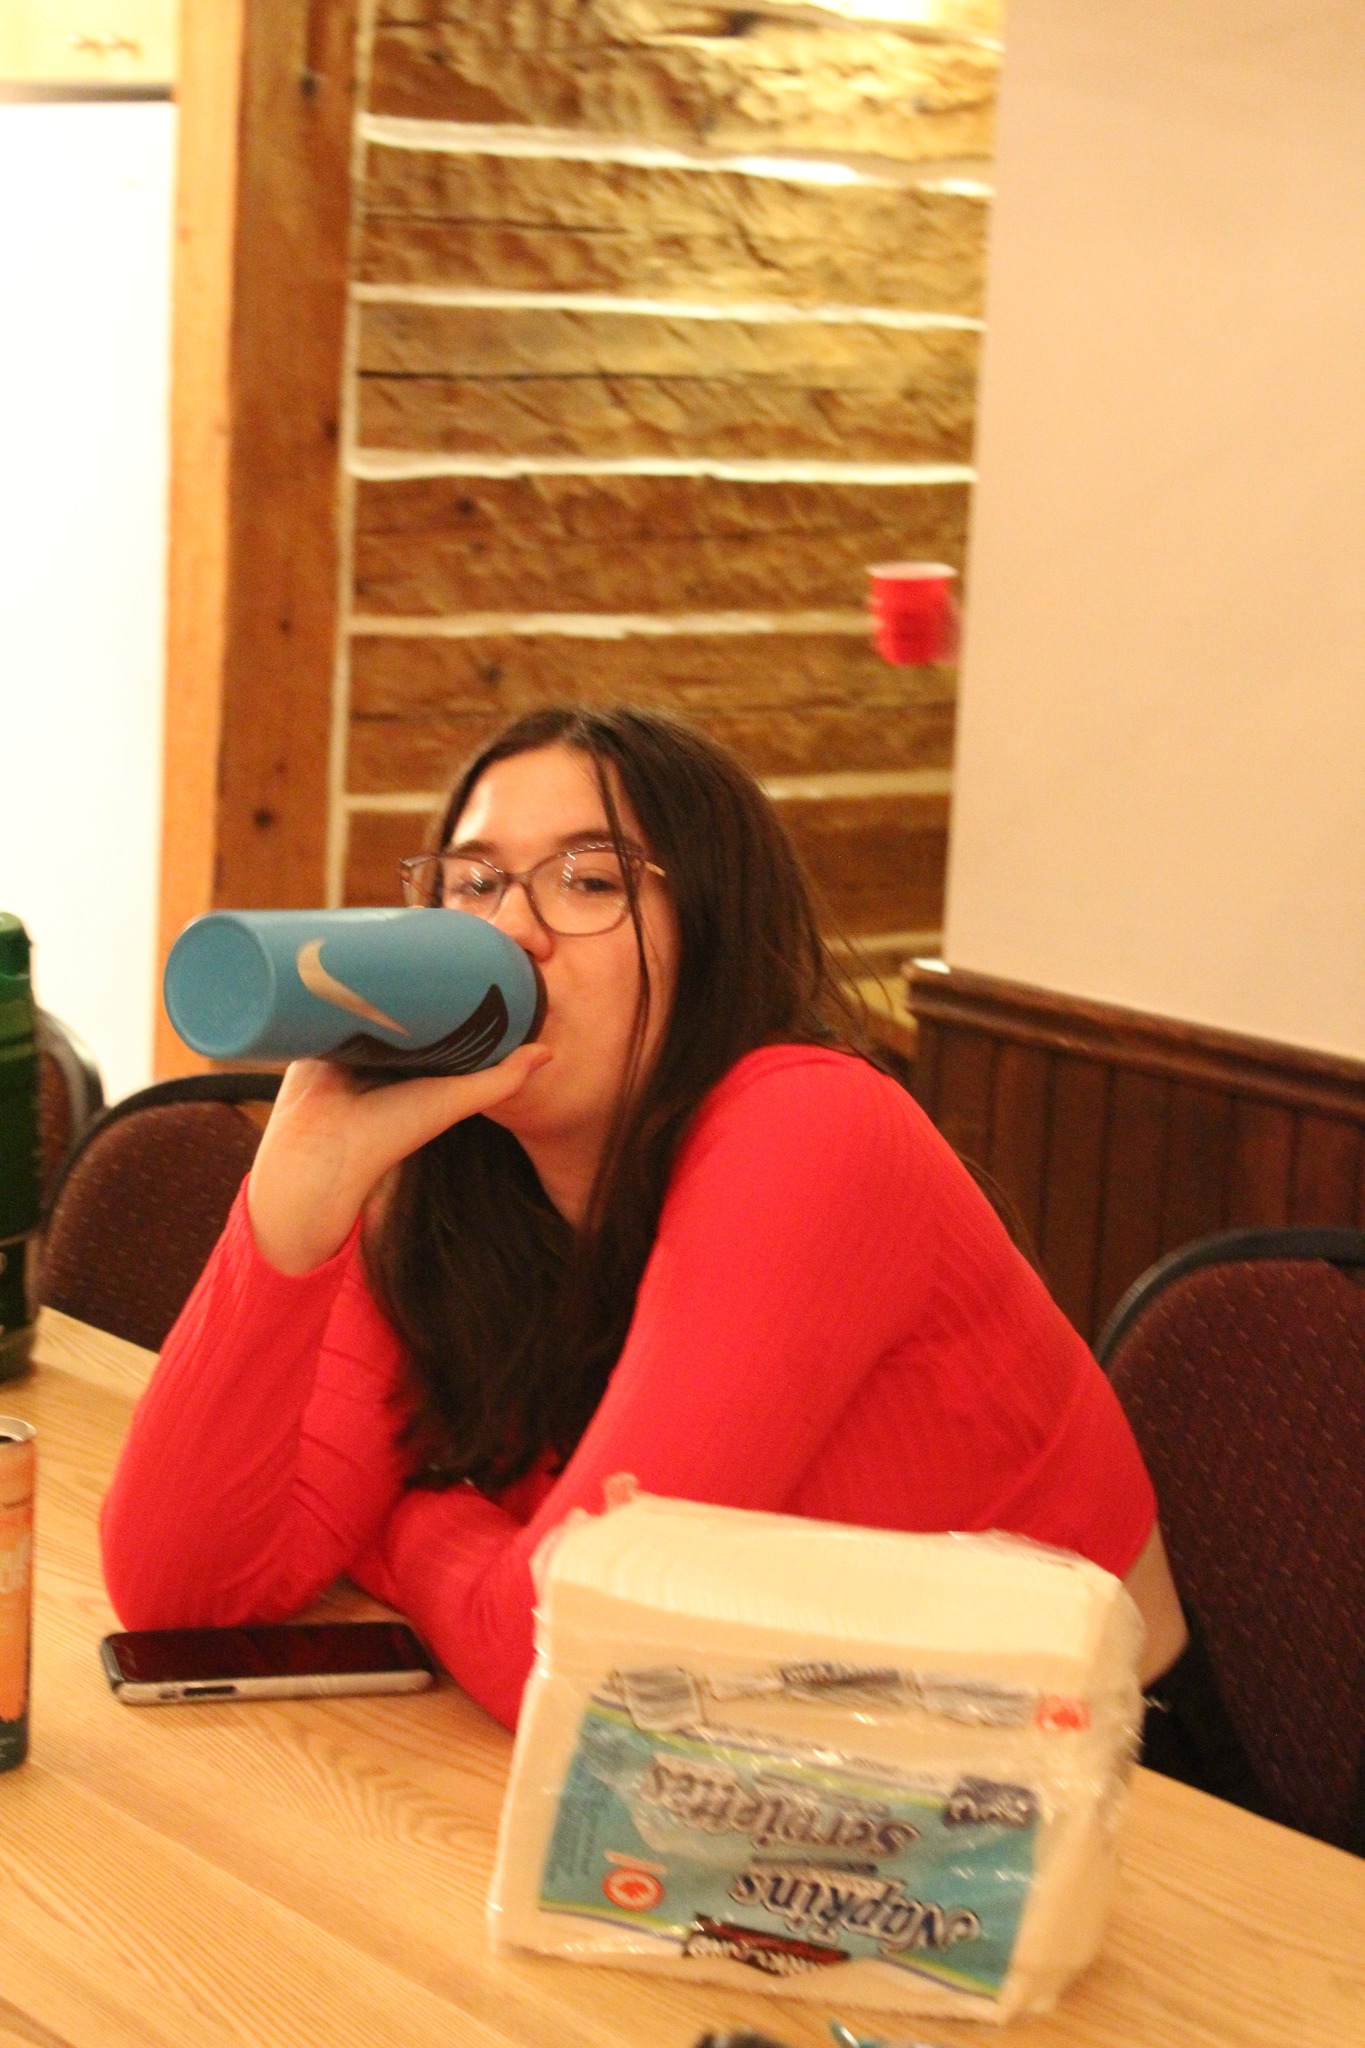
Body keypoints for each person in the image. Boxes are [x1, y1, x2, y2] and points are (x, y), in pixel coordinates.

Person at [103, 704, 1207, 1766]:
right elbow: (179, 1590)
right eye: (474, 885)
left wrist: (409, 1524)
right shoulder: (448, 1184)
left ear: (711, 936)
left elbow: (567, 1649)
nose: (513, 933)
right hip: (760, 1763)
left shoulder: (811, 1129)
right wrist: (290, 1214)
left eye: (588, 881)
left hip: (1091, 1788)